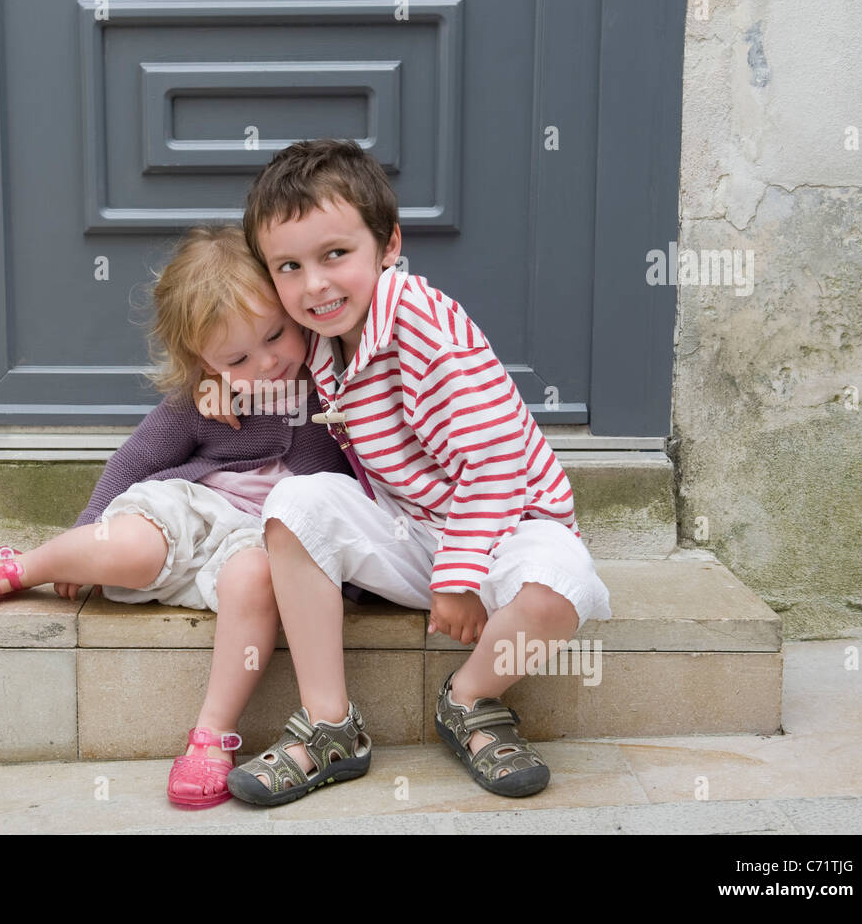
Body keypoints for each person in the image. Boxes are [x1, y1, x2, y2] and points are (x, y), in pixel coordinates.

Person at [203, 138, 612, 806]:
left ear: (388, 244)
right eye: (289, 266)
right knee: (293, 505)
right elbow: (271, 376)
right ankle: (330, 725)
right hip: (417, 528)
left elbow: (491, 457)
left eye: (336, 254)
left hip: (510, 524)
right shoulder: (327, 340)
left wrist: (458, 576)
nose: (315, 284)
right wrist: (213, 395)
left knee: (562, 587)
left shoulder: (420, 320)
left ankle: (471, 698)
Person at [0, 225, 356, 808]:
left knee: (254, 581)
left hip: (267, 539)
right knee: (128, 547)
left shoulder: (335, 382)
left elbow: (357, 468)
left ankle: (211, 735)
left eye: (276, 336)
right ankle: (24, 565)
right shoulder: (197, 400)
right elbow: (135, 460)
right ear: (201, 361)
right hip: (194, 505)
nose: (266, 363)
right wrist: (90, 526)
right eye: (236, 357)